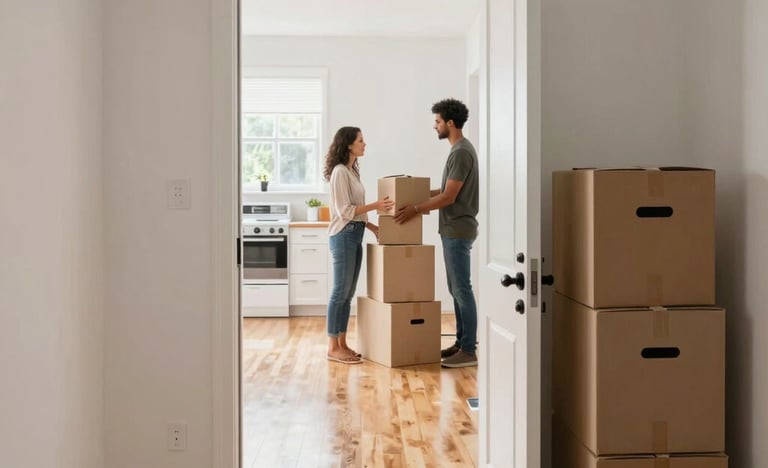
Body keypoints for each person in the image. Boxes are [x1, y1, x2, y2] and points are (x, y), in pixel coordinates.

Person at [394, 98, 479, 368]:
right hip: (453, 228)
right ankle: (461, 342)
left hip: (457, 229)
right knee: (456, 288)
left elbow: (449, 197)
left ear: (450, 123)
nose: (435, 126)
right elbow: (443, 191)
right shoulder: (458, 151)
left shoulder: (461, 152)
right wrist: (409, 194)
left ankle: (468, 350)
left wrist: (416, 209)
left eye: (437, 121)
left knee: (461, 289)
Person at [324, 126, 394, 364]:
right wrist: (376, 206)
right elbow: (344, 211)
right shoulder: (340, 172)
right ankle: (333, 346)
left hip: (354, 234)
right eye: (361, 140)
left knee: (348, 293)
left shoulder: (352, 171)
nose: (365, 144)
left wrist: (372, 227)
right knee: (339, 292)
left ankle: (342, 343)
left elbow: (356, 209)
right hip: (343, 235)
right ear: (349, 145)